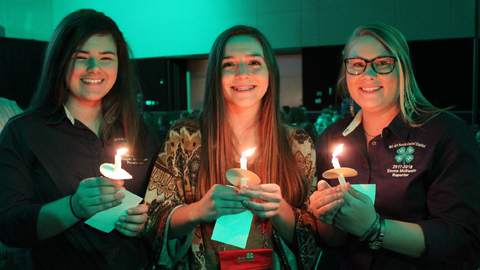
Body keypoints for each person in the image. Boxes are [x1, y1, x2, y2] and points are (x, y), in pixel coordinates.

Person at [142, 25, 345, 269]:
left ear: (270, 71)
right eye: (229, 64)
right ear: (216, 74)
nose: (242, 74)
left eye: (254, 62)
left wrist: (279, 209)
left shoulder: (297, 143)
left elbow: (313, 235)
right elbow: (152, 219)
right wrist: (198, 210)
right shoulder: (185, 136)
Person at [310, 23, 480, 269]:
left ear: (403, 70)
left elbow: (463, 240)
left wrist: (375, 228)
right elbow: (334, 241)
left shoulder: (444, 133)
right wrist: (326, 217)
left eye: (383, 63)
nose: (369, 74)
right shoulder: (331, 137)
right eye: (357, 64)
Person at [0, 9, 161, 269]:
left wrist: (144, 223)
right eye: (80, 57)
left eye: (106, 58)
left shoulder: (138, 130)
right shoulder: (24, 132)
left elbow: (160, 207)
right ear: (59, 62)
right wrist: (73, 207)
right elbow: (8, 227)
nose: (94, 68)